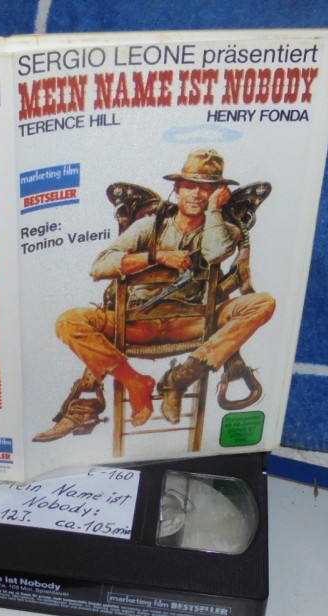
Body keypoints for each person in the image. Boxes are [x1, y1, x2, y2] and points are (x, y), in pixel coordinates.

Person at [34, 149, 276, 442]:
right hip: (135, 324)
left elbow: (215, 253)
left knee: (263, 302)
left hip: (193, 324)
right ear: (177, 188)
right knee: (69, 321)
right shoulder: (149, 226)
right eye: (190, 186)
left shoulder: (225, 230)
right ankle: (136, 382)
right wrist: (156, 256)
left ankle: (181, 378)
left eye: (207, 188)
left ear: (219, 193)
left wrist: (214, 211)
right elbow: (99, 267)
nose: (197, 194)